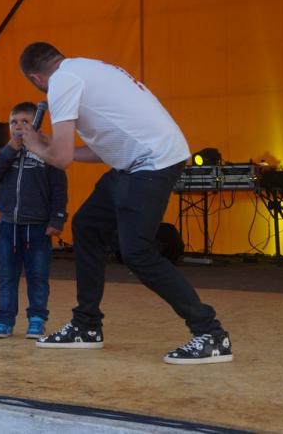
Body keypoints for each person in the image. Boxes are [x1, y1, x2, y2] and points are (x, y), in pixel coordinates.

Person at [18, 42, 232, 364]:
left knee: (138, 253)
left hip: (151, 163)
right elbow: (101, 149)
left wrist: (35, 145)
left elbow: (60, 159)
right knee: (87, 225)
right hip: (137, 161)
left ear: (35, 79)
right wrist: (51, 146)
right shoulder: (88, 69)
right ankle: (86, 326)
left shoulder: (61, 81)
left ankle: (211, 334)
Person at [0, 102, 68, 339]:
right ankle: (4, 320)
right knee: (7, 275)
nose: (18, 126)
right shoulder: (6, 152)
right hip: (8, 225)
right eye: (13, 122)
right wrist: (10, 149)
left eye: (25, 122)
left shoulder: (47, 152)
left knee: (38, 275)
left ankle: (37, 320)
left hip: (38, 226)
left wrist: (57, 219)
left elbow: (59, 189)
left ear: (37, 126)